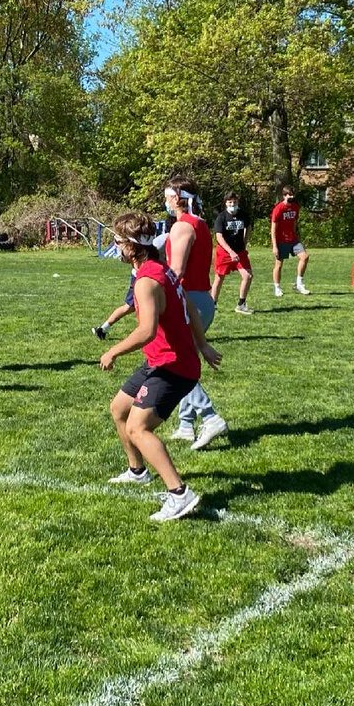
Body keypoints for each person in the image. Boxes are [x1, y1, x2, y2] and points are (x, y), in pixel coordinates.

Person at [99, 210, 221, 522]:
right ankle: (137, 471)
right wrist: (203, 344)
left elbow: (146, 331)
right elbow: (190, 306)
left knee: (138, 428)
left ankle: (180, 494)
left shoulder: (147, 280)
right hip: (161, 360)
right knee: (119, 409)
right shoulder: (162, 269)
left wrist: (113, 350)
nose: (115, 247)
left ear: (129, 247)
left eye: (117, 241)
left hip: (173, 366)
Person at [164, 176, 228, 449]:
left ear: (177, 198)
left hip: (189, 300)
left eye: (167, 197)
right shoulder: (199, 224)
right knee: (183, 360)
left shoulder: (182, 226)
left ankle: (210, 416)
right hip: (203, 299)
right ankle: (186, 424)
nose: (165, 202)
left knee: (176, 363)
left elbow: (176, 272)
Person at [211, 191, 253, 314]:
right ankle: (212, 304)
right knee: (219, 278)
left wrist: (244, 243)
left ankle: (241, 304)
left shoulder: (243, 215)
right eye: (230, 202)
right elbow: (219, 237)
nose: (232, 204)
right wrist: (230, 252)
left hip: (239, 251)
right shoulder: (221, 217)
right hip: (224, 252)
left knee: (248, 275)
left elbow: (248, 227)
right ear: (226, 203)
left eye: (234, 202)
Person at [270, 184, 311, 296]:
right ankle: (277, 287)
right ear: (284, 195)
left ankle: (299, 283)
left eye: (293, 194)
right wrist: (275, 246)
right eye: (289, 195)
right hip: (281, 241)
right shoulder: (278, 209)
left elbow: (294, 223)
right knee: (279, 264)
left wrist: (297, 237)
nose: (292, 197)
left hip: (293, 239)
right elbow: (273, 229)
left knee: (305, 257)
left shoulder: (295, 207)